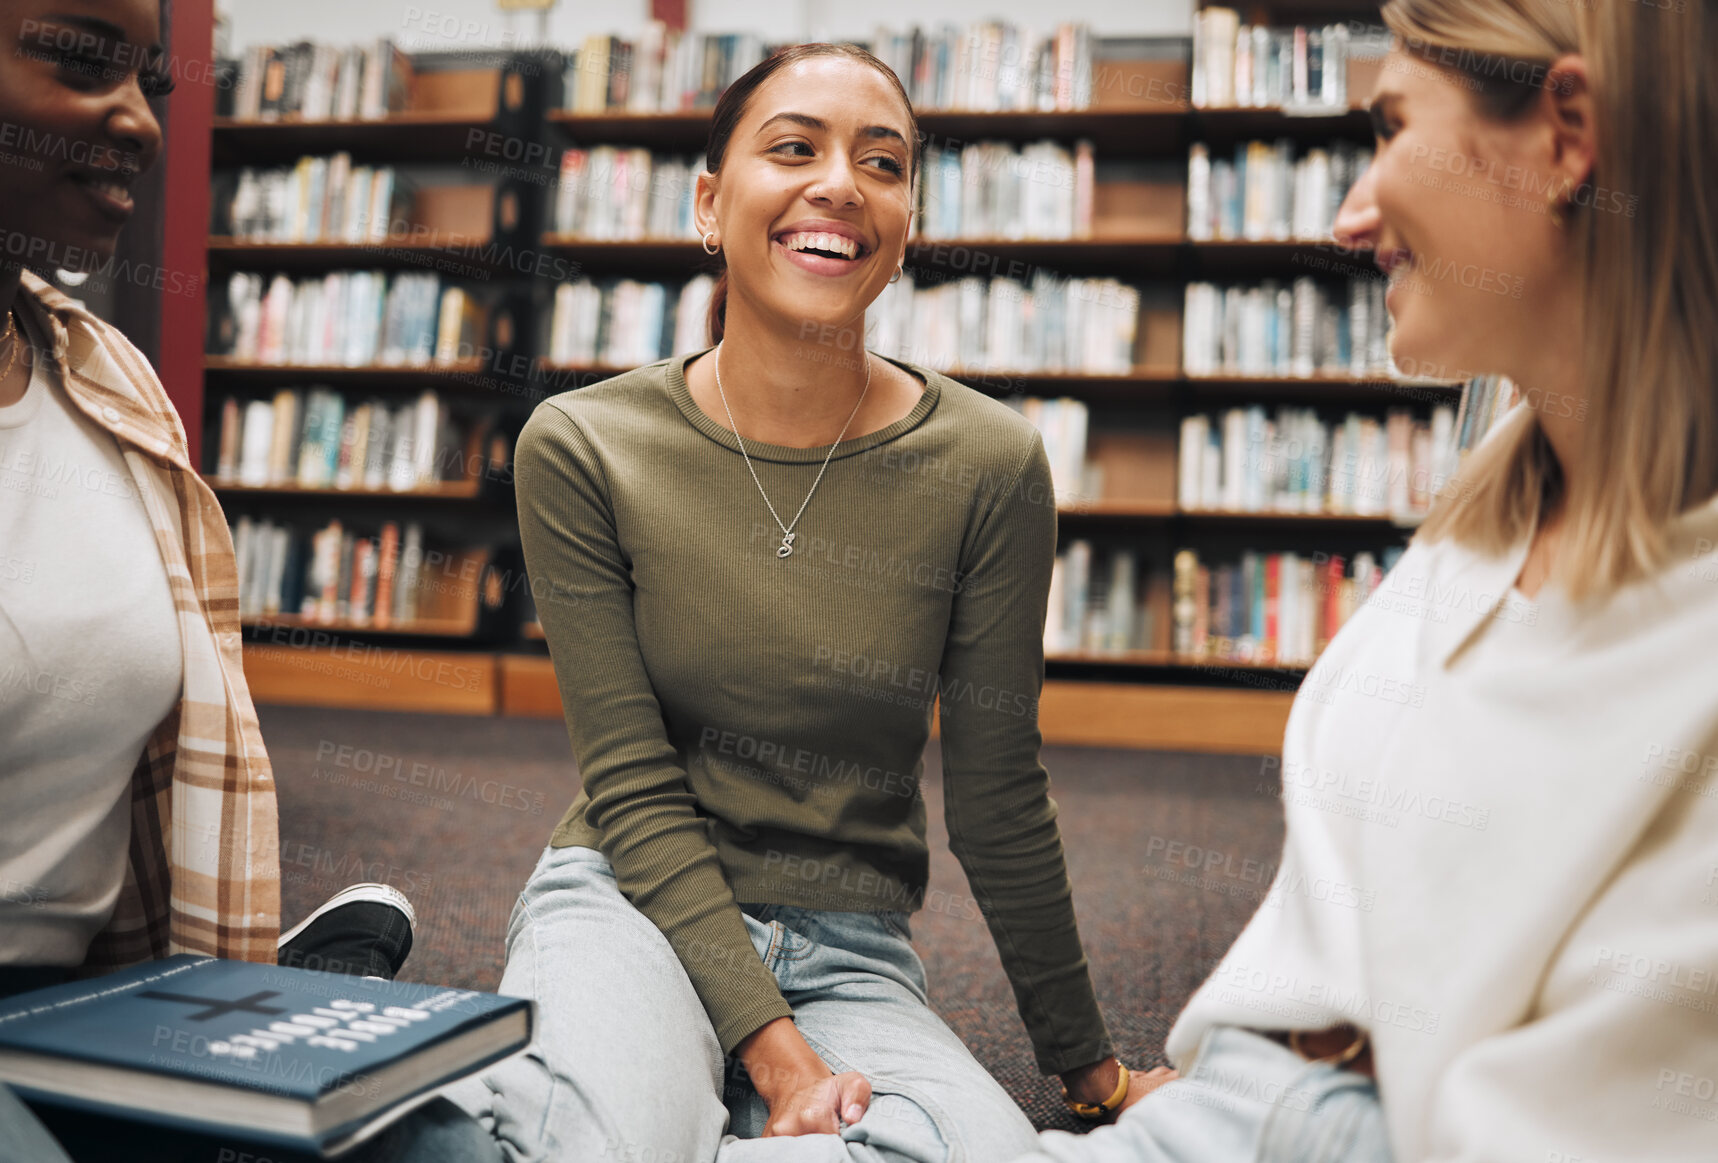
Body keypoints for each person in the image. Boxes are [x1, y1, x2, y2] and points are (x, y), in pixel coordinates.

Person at [993, 0, 1718, 1160]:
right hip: (1223, 1102)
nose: (1347, 215)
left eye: (1389, 129)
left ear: (1567, 135)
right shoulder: (1503, 486)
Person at [444, 40, 1162, 1163]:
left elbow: (995, 794)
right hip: (633, 901)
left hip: (847, 946)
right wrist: (780, 1060)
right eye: (794, 148)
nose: (840, 183)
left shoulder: (989, 462)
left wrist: (1093, 1072)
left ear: (905, 224)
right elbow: (629, 784)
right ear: (708, 201)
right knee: (584, 1146)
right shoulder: (583, 444)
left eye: (882, 163)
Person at [0, 3, 439, 1159]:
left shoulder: (109, 381)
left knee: (445, 1142)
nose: (138, 120)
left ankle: (261, 986)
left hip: (84, 1001)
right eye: (83, 63)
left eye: (153, 80)